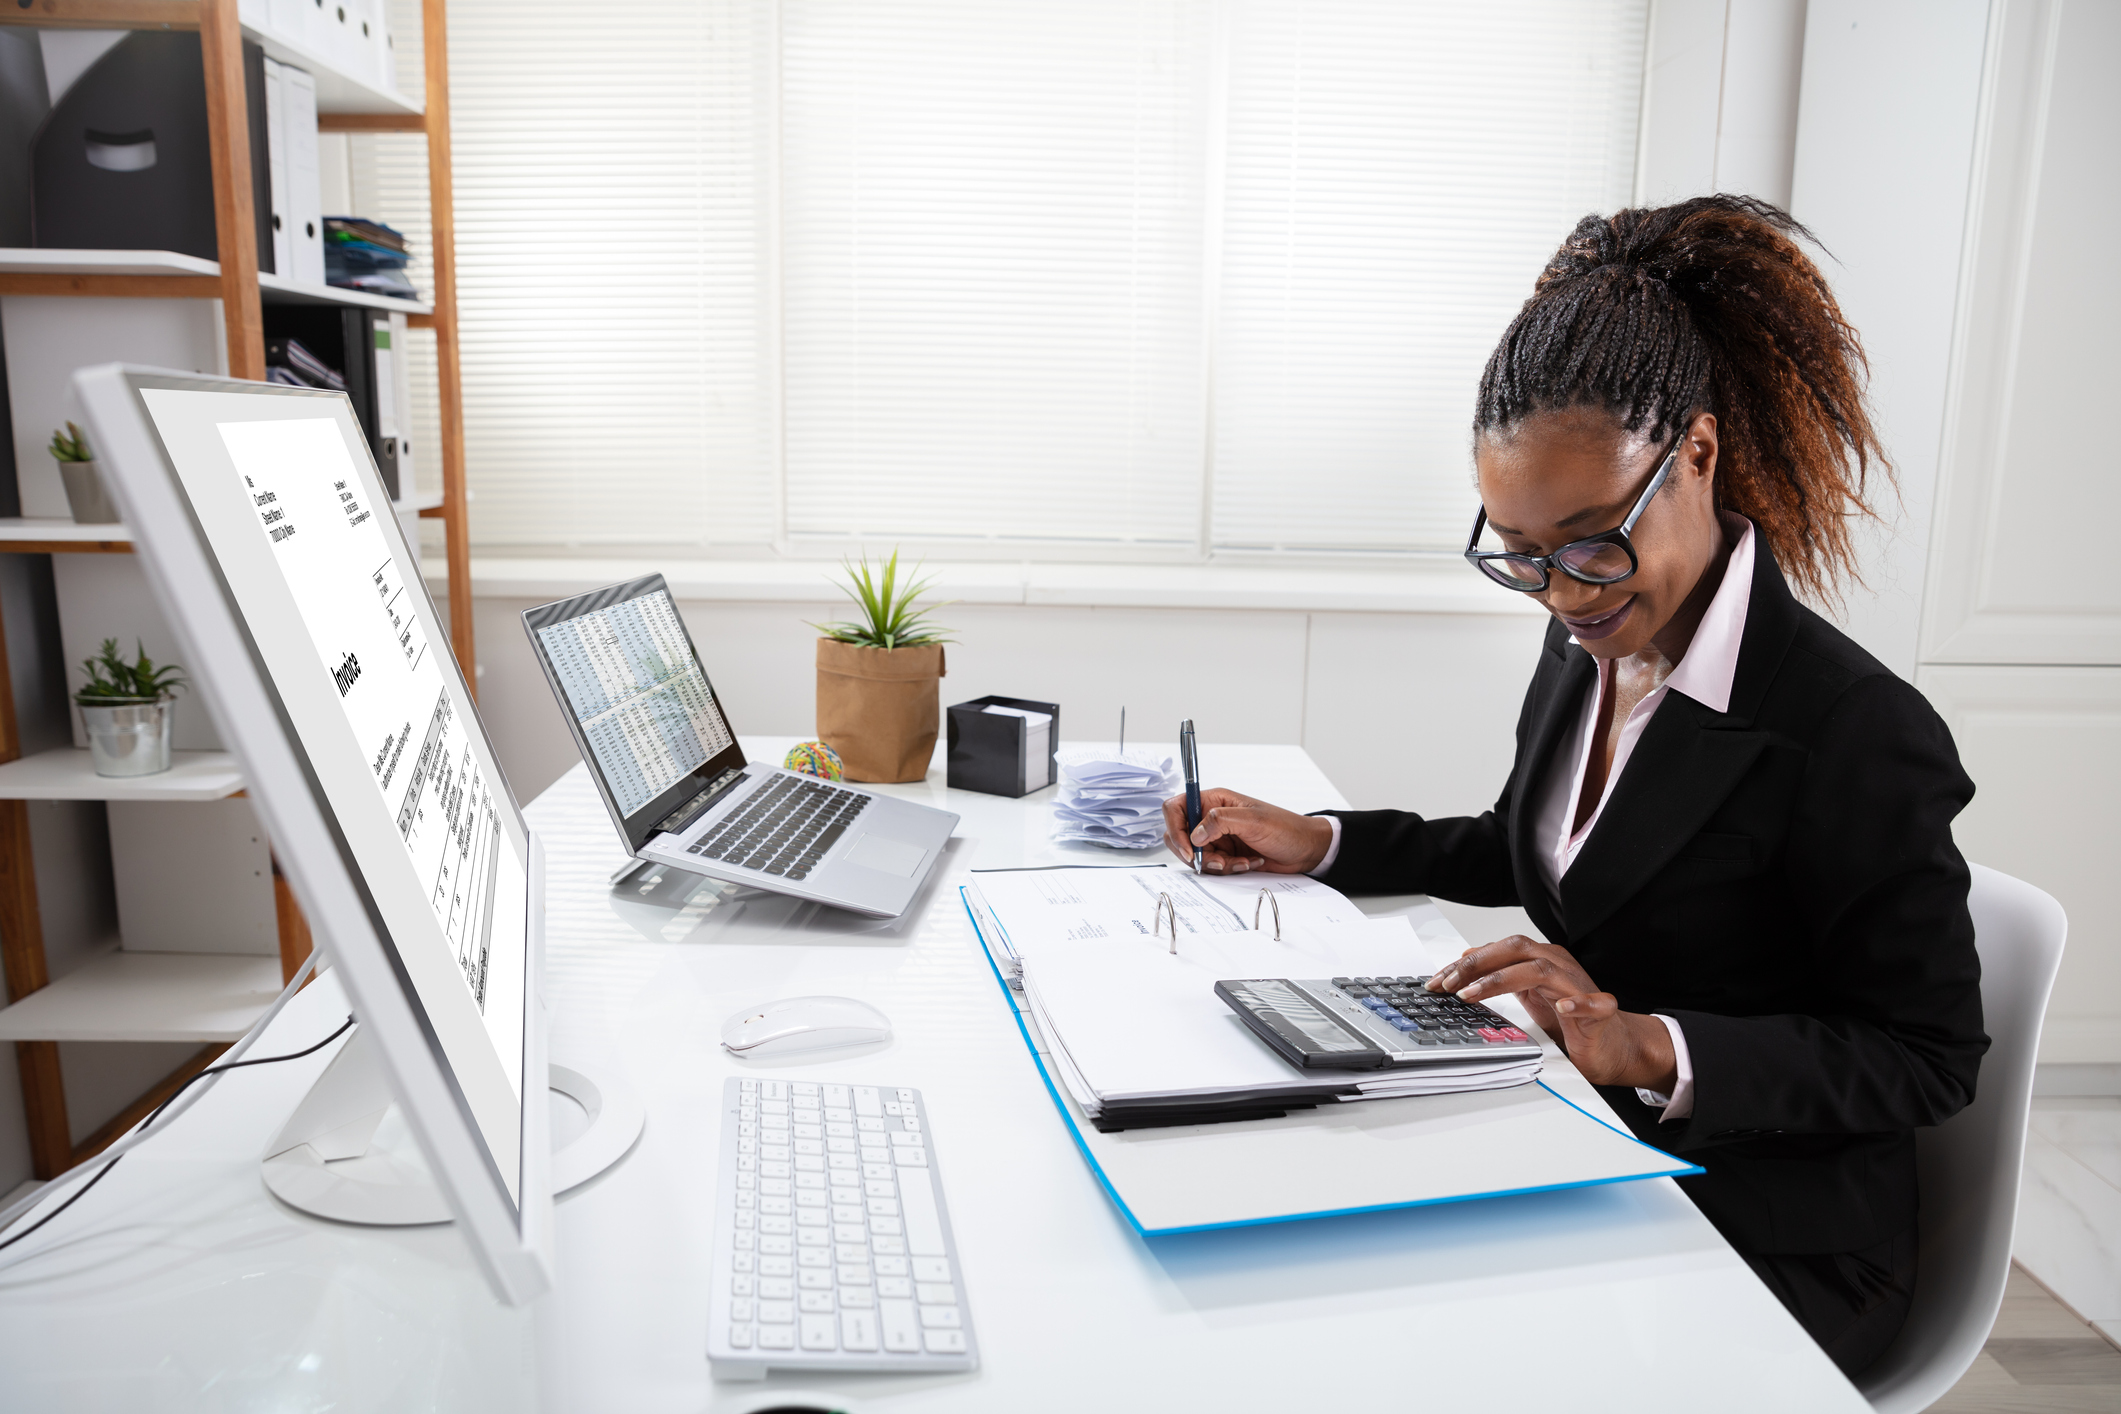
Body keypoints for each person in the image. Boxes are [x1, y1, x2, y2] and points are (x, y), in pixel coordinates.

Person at [1162, 195, 1987, 1377]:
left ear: (1697, 455)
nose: (1560, 593)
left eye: (1593, 541)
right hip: (1597, 1146)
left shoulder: (1855, 731)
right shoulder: (1589, 632)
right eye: (1521, 554)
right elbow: (1536, 845)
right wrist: (1328, 841)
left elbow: (1927, 1054)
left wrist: (1649, 1043)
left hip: (1778, 1232)